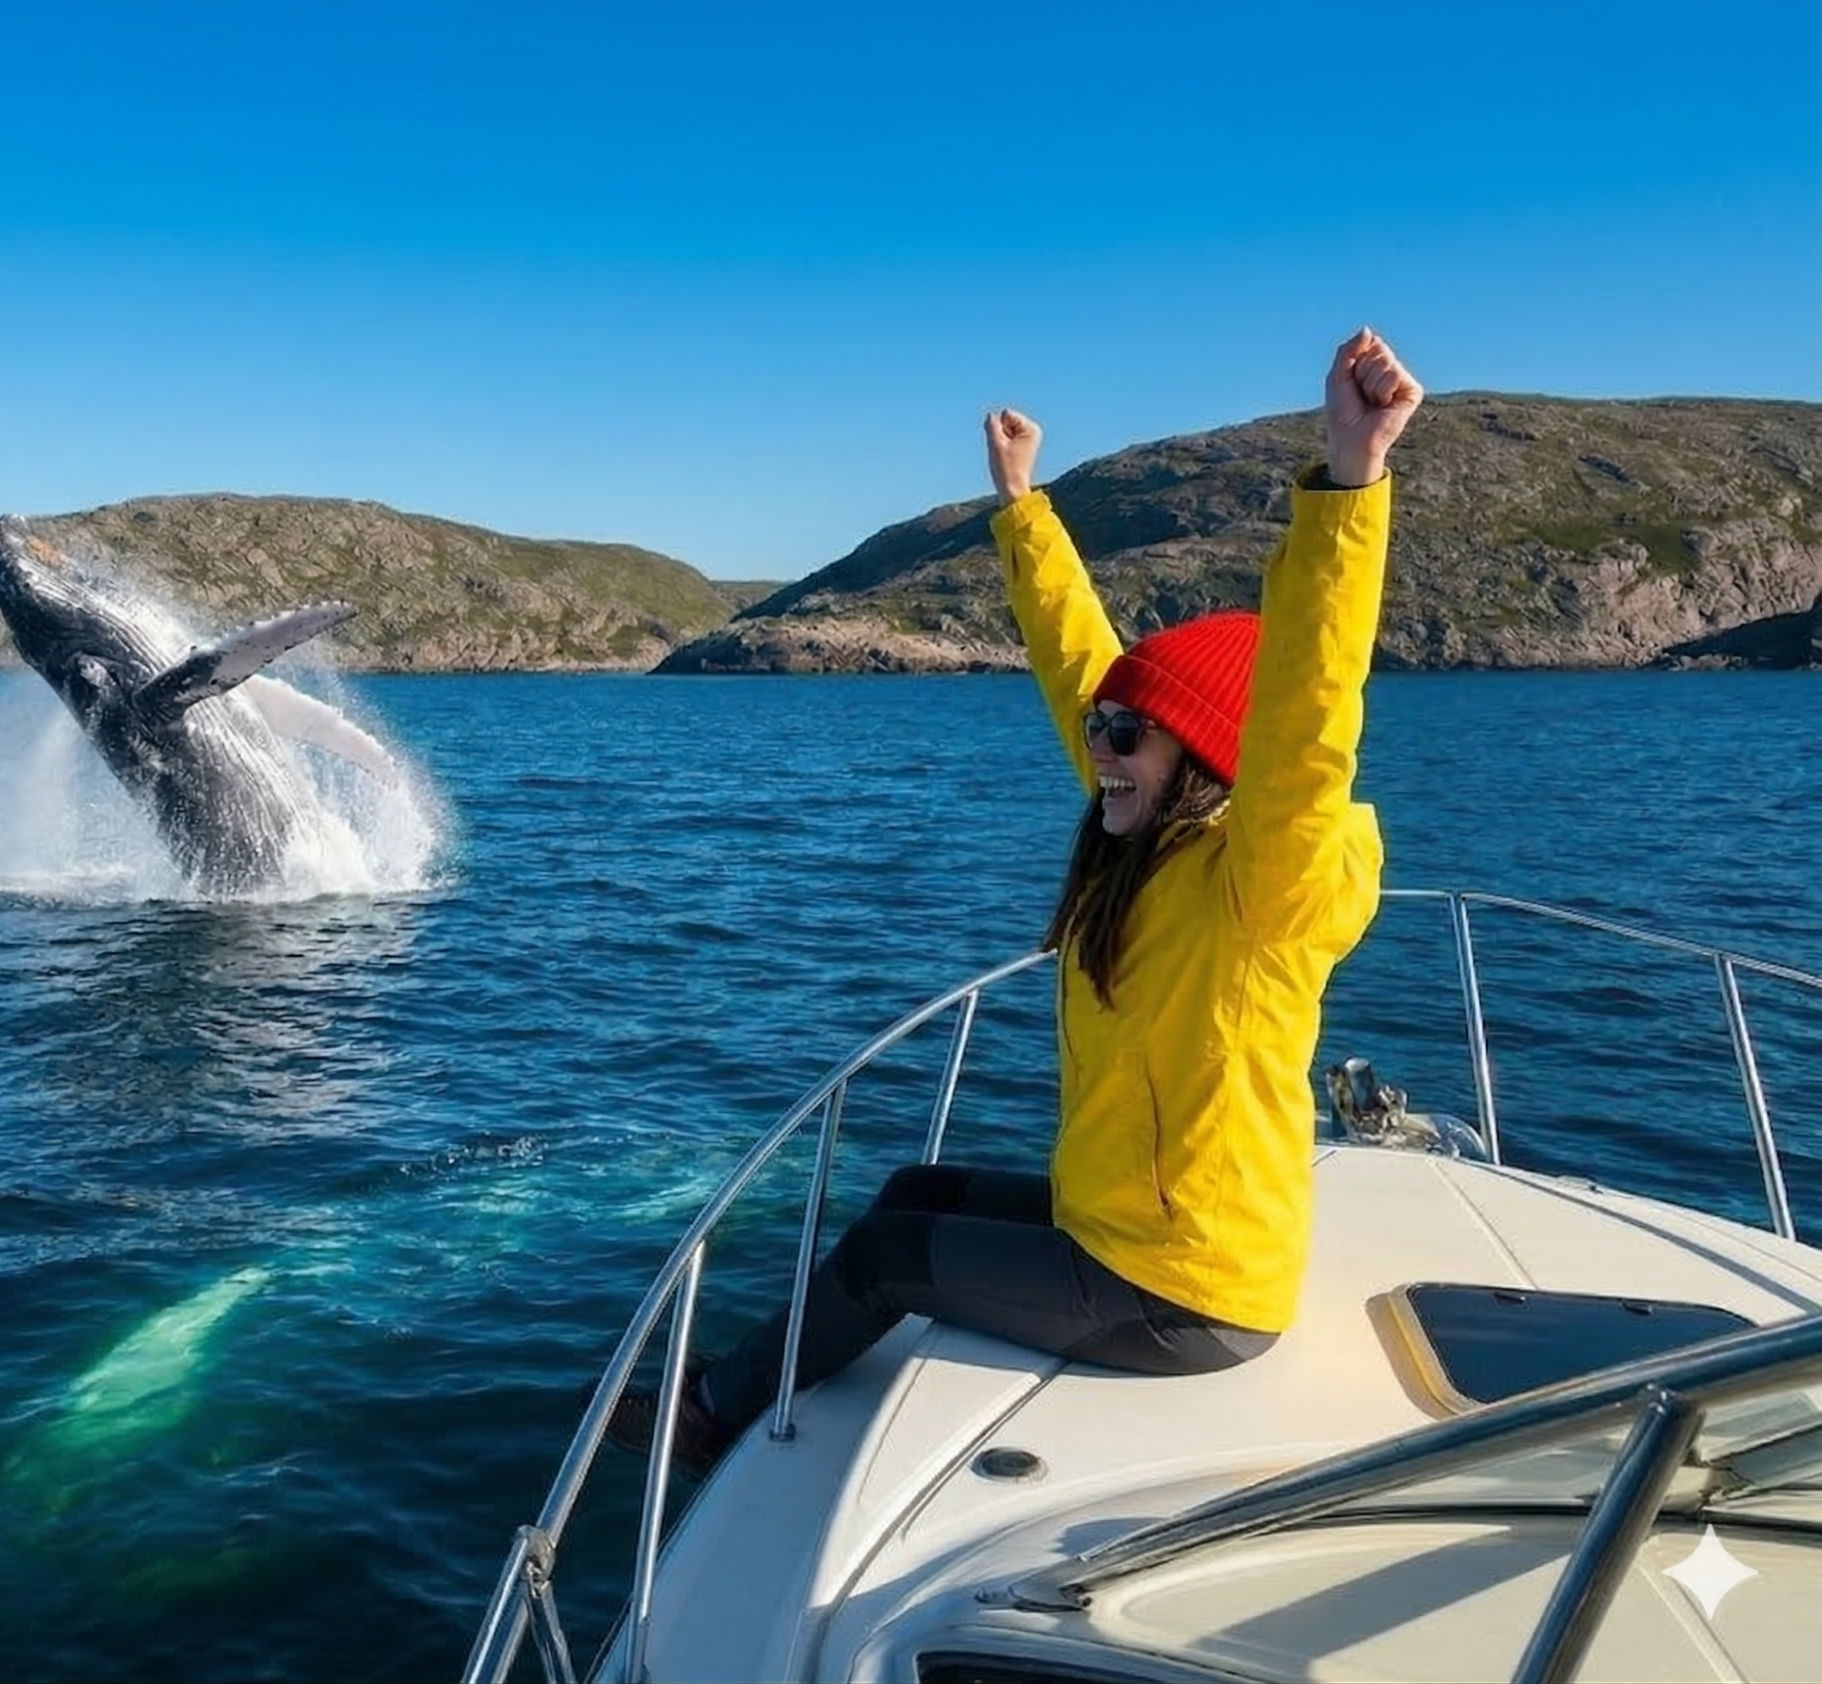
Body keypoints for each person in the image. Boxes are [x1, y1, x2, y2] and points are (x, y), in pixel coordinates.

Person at [605, 328, 1424, 1477]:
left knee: (886, 1253)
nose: (1099, 746)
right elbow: (1075, 666)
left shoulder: (1262, 883)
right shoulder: (1140, 833)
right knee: (913, 1190)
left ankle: (710, 1417)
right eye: (1100, 730)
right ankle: (769, 1377)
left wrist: (1349, 483)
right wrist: (1021, 504)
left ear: (1205, 764)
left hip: (1184, 1289)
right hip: (1120, 1227)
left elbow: (1305, 717)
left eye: (1126, 734)